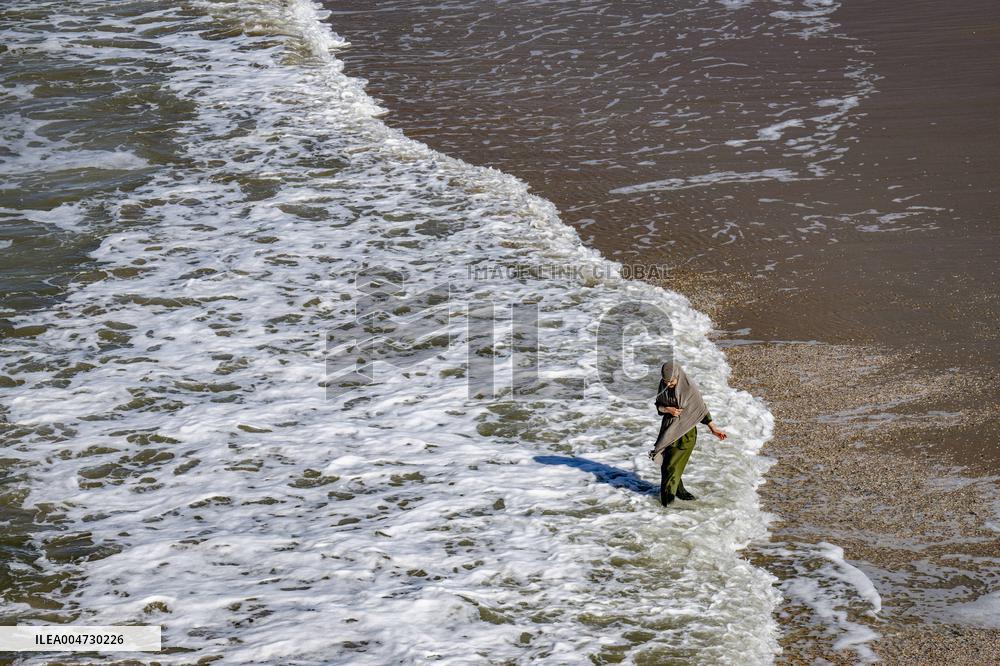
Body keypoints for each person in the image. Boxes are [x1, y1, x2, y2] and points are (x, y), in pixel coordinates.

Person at [649, 360, 727, 506]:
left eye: (671, 381)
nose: (668, 385)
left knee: (670, 468)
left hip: (685, 436)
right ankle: (680, 492)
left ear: (678, 376)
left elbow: (701, 410)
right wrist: (668, 410)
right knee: (668, 466)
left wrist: (713, 429)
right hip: (668, 432)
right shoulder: (663, 385)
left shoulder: (689, 389)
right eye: (665, 381)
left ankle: (667, 506)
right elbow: (658, 405)